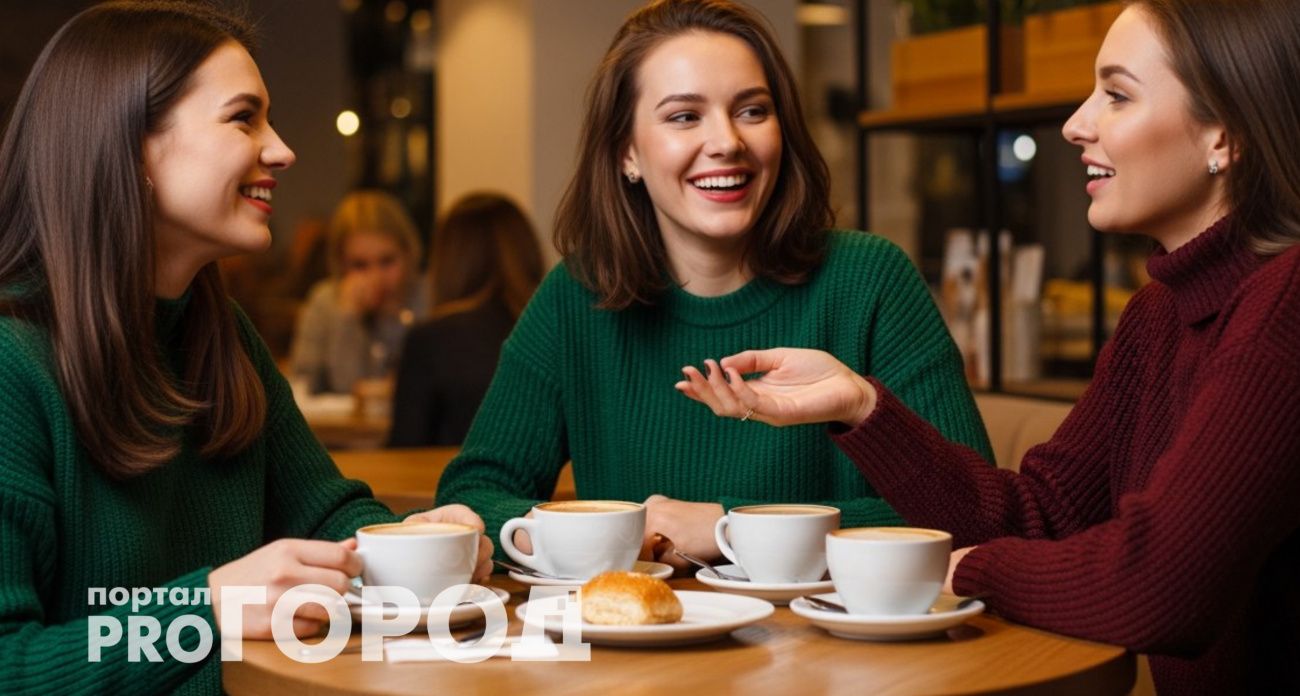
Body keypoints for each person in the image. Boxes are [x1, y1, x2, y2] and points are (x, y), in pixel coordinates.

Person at [678, 1, 1300, 693]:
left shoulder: (1287, 302)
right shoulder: (1158, 316)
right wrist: (861, 407)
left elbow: (1161, 587)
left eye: (1117, 95)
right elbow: (1040, 517)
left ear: (1225, 136)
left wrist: (966, 571)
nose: (1077, 124)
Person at [0, 4, 489, 694]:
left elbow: (328, 517)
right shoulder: (12, 363)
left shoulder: (220, 332)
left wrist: (415, 543)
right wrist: (205, 609)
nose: (282, 150)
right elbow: (10, 665)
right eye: (243, 118)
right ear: (130, 147)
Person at [434, 0, 992, 571]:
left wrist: (729, 527)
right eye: (684, 116)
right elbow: (472, 498)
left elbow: (974, 517)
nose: (727, 141)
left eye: (752, 110)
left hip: (827, 627)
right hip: (634, 624)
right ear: (627, 152)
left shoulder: (871, 280)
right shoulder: (577, 295)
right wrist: (607, 535)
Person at [388, 192, 544, 447]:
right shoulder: (555, 331)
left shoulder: (431, 341)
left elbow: (405, 448)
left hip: (451, 472)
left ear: (449, 260)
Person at [289, 189, 428, 394]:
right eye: (360, 265)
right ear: (340, 264)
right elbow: (306, 387)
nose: (376, 278)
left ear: (408, 253)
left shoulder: (431, 296)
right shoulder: (324, 302)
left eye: (387, 261)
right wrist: (348, 317)